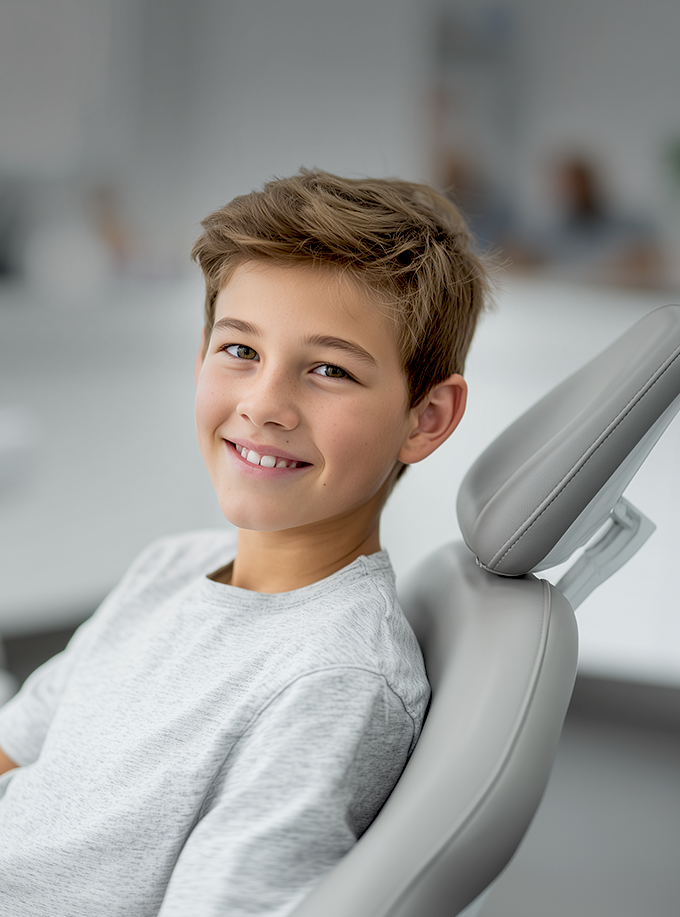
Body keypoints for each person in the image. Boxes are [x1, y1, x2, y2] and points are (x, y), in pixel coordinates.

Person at [0, 170, 492, 916]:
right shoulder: (172, 565)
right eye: (240, 351)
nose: (264, 405)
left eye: (328, 369)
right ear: (202, 353)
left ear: (425, 417)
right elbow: (17, 745)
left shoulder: (336, 677)